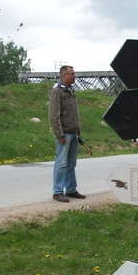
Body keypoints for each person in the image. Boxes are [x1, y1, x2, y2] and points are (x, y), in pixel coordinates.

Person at [49, 65, 84, 203]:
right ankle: (57, 191)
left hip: (73, 132)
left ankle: (70, 189)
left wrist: (77, 129)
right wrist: (59, 134)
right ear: (64, 76)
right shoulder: (57, 92)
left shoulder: (71, 91)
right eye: (72, 74)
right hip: (64, 134)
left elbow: (74, 112)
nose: (75, 76)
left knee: (71, 163)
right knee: (61, 163)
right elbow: (54, 115)